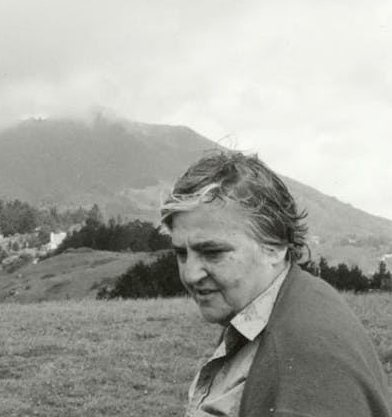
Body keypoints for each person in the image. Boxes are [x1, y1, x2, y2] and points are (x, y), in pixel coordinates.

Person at [159, 151, 391, 417]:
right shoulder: (273, 306)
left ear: (275, 247)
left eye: (213, 252)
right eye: (181, 253)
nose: (190, 274)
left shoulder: (306, 364)